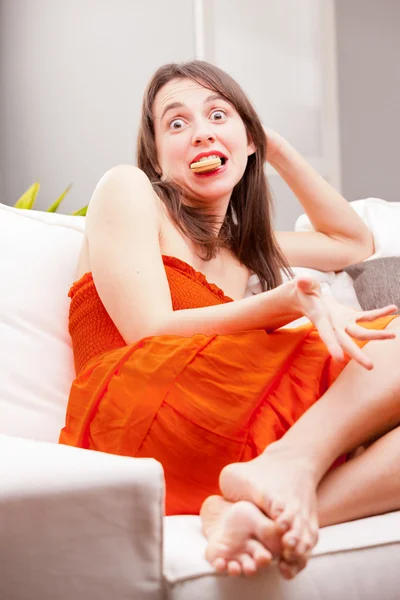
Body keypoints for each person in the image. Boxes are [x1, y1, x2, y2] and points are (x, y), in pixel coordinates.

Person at [59, 60, 400, 580]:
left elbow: (352, 243)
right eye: (176, 123)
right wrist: (283, 304)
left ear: (247, 140)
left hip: (219, 433)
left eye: (218, 115)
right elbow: (148, 328)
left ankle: (261, 512)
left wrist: (271, 147)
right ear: (155, 155)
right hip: (132, 410)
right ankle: (291, 467)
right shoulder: (128, 190)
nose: (200, 133)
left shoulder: (237, 251)